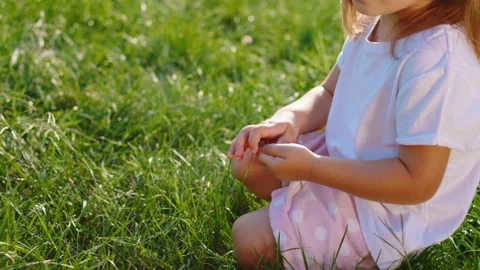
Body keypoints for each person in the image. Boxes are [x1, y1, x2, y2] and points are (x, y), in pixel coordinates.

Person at [227, 0, 480, 269]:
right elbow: (329, 92)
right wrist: (288, 119)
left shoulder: (435, 60)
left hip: (385, 211)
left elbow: (417, 182)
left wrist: (312, 169)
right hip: (347, 155)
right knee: (248, 160)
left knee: (249, 238)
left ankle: (360, 255)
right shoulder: (379, 18)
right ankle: (299, 214)